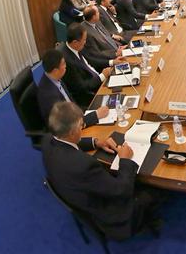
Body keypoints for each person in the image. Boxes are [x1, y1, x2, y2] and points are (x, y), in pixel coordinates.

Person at [42, 102, 163, 241]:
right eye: (81, 125)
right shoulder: (83, 165)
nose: (82, 127)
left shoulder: (47, 140)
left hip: (77, 193)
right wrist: (125, 159)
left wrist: (96, 142)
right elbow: (122, 190)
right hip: (110, 215)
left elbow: (67, 143)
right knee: (154, 189)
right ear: (72, 132)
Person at [37, 49, 107, 125]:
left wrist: (91, 111)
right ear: (55, 71)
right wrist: (95, 115)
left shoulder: (55, 78)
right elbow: (67, 123)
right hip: (69, 126)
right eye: (63, 64)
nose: (66, 66)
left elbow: (71, 102)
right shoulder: (49, 95)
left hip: (76, 115)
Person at [58, 23, 113, 106]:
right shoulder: (68, 61)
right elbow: (81, 87)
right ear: (75, 42)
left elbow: (92, 60)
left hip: (99, 79)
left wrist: (111, 62)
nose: (85, 42)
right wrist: (101, 77)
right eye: (84, 40)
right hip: (91, 94)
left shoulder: (76, 47)